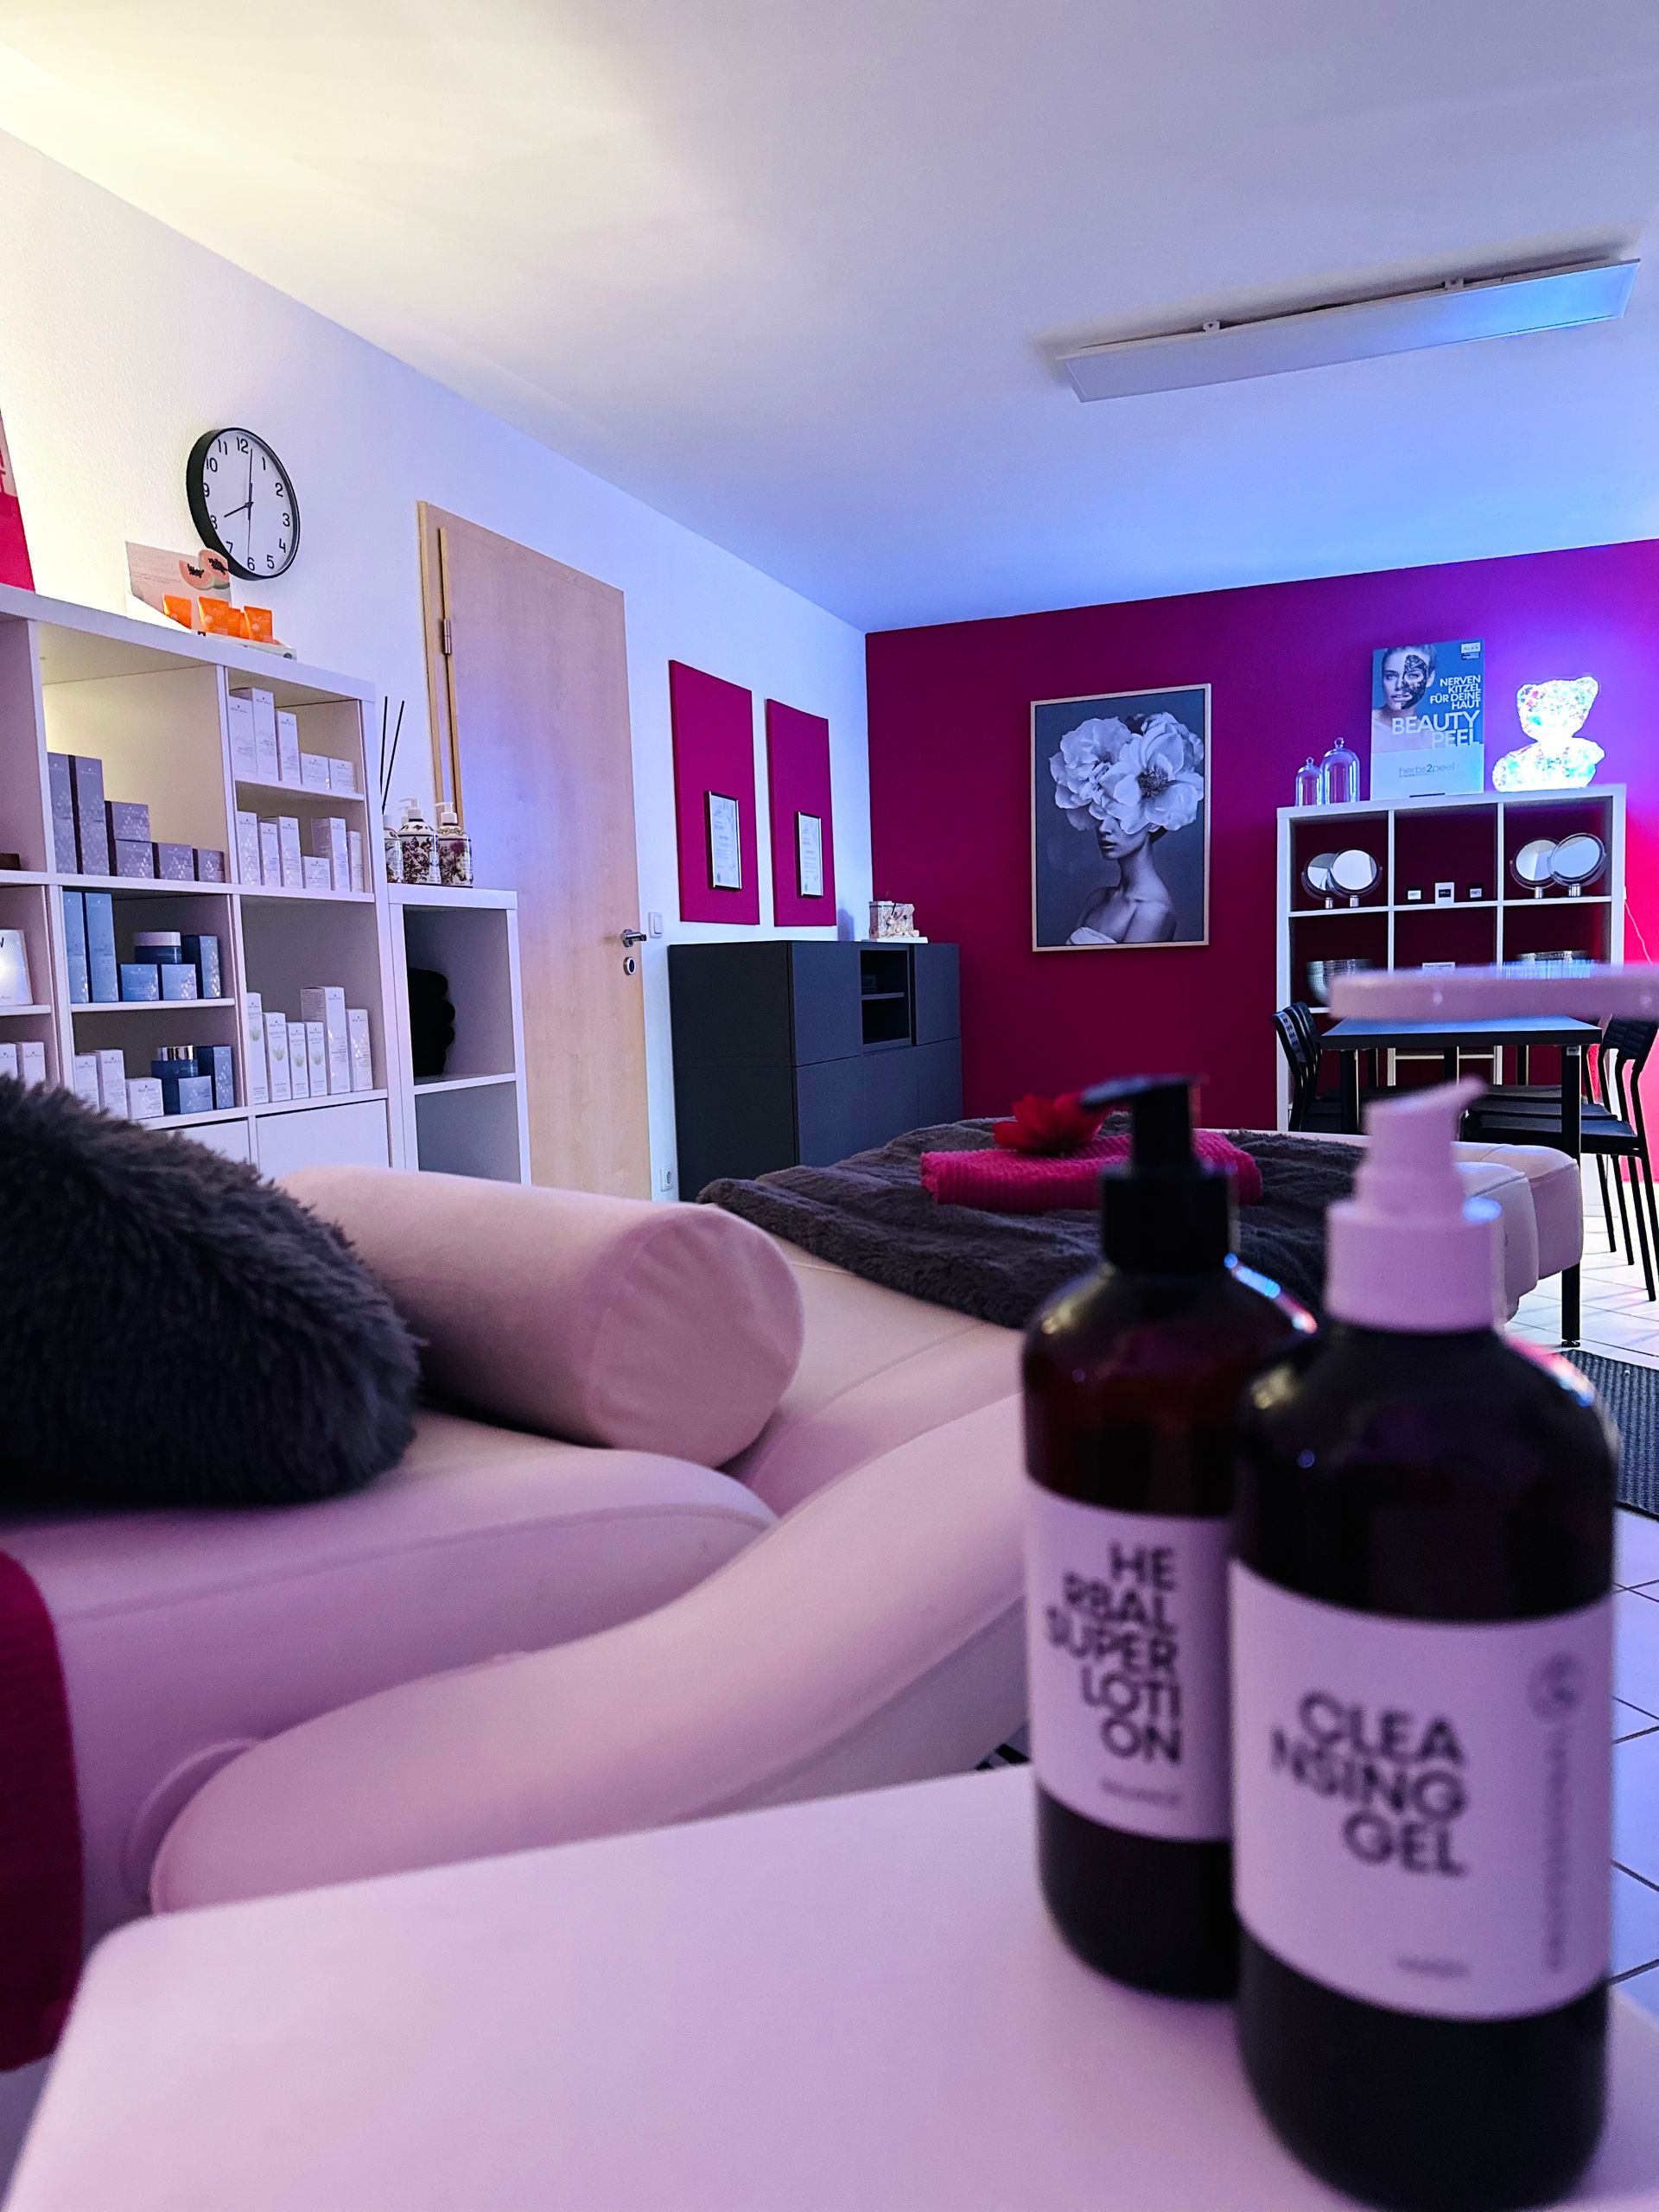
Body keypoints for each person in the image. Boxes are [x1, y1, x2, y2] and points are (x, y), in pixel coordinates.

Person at [1067, 821, 1177, 945]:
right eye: (1100, 816)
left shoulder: (1153, 911)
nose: (1103, 828)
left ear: (1154, 824)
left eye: (1119, 817)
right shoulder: (1097, 898)